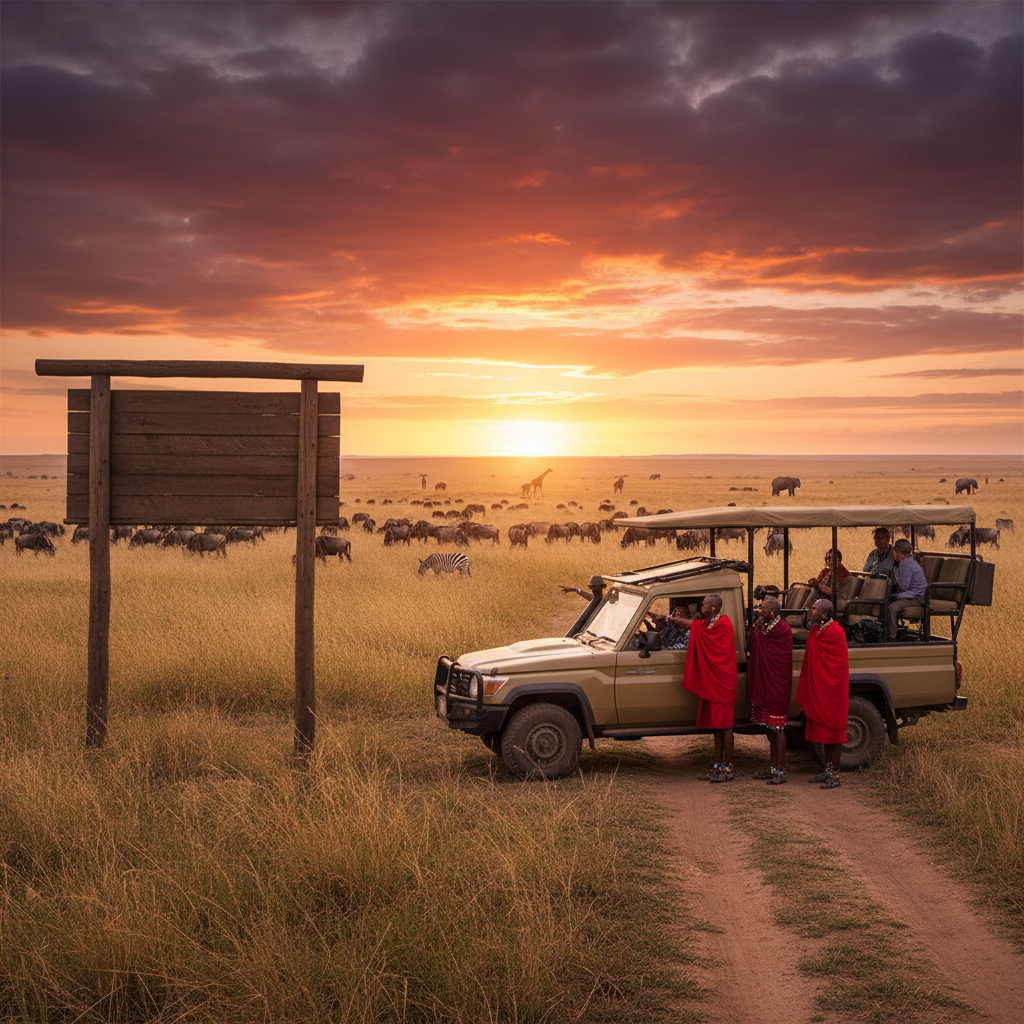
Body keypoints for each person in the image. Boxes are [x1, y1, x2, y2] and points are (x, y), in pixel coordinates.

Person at [676, 594, 738, 782]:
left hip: (723, 682)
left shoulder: (724, 624)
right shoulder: (709, 622)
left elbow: (699, 633)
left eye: (704, 605)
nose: (701, 608)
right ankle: (717, 766)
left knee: (726, 726)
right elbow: (693, 626)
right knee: (716, 727)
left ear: (713, 609)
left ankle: (728, 768)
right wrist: (671, 619)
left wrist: (675, 620)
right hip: (714, 681)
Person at [796, 599, 850, 789]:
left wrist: (825, 682)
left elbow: (837, 666)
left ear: (824, 614)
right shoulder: (816, 630)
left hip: (833, 690)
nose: (811, 610)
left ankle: (835, 774)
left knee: (834, 733)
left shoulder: (836, 632)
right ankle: (827, 770)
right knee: (826, 735)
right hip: (821, 688)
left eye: (814, 609)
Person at [747, 595, 793, 784]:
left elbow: (778, 656)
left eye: (763, 609)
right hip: (765, 682)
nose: (760, 611)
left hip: (777, 685)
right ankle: (773, 768)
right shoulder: (765, 627)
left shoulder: (782, 630)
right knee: (769, 730)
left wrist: (757, 630)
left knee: (777, 729)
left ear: (772, 613)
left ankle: (781, 771)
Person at [884, 539, 928, 641]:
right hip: (912, 595)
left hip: (915, 597)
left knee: (891, 608)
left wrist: (893, 576)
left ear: (898, 552)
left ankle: (891, 636)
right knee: (888, 601)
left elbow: (903, 586)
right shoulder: (908, 561)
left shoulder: (905, 564)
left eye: (894, 552)